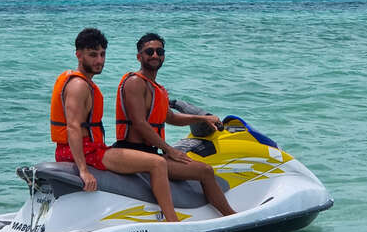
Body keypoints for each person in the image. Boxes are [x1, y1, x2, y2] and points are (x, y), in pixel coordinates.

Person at [50, 28, 179, 222]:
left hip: (86, 149)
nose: (99, 60)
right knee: (158, 163)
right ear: (78, 55)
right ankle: (173, 222)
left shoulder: (84, 83)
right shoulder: (78, 85)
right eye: (93, 55)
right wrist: (83, 171)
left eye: (102, 55)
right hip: (86, 152)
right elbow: (73, 128)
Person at [114, 33, 236, 216]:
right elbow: (139, 123)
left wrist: (203, 119)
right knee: (205, 171)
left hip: (150, 152)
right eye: (149, 51)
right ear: (139, 56)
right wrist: (170, 150)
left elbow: (169, 117)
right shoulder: (135, 83)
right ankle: (230, 216)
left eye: (159, 51)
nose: (155, 55)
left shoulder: (157, 88)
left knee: (202, 167)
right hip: (133, 151)